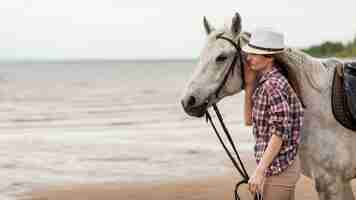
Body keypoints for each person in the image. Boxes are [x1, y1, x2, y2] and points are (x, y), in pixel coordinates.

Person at [241, 28, 304, 200]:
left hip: (280, 169)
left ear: (269, 57)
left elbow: (280, 132)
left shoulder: (273, 85)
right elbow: (249, 121)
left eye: (254, 54)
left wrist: (259, 172)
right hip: (277, 167)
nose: (248, 58)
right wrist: (248, 85)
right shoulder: (267, 83)